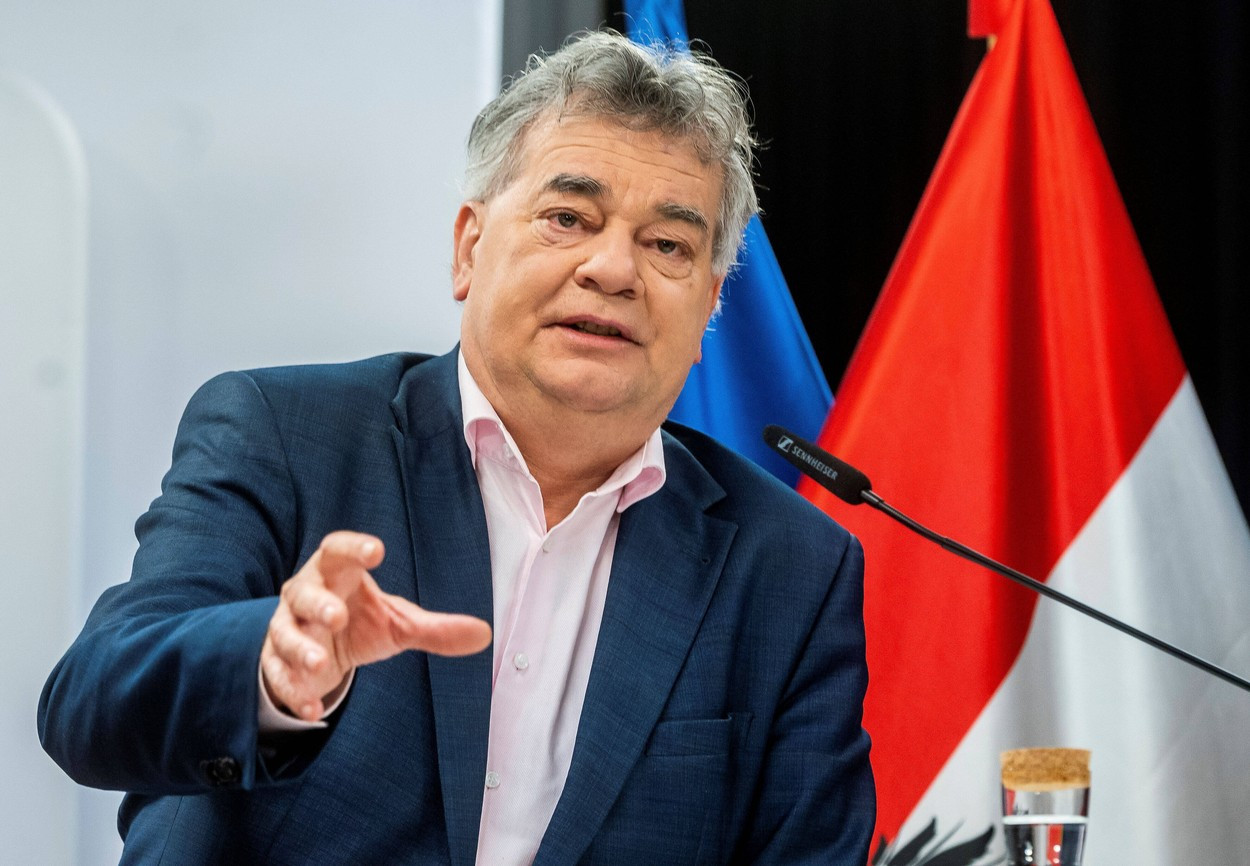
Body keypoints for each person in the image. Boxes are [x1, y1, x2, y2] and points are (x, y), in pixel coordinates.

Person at [39, 30, 874, 864]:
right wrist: (269, 671)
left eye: (668, 246)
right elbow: (92, 703)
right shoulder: (284, 436)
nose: (614, 269)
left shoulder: (790, 567)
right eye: (568, 218)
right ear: (469, 247)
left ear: (709, 308)